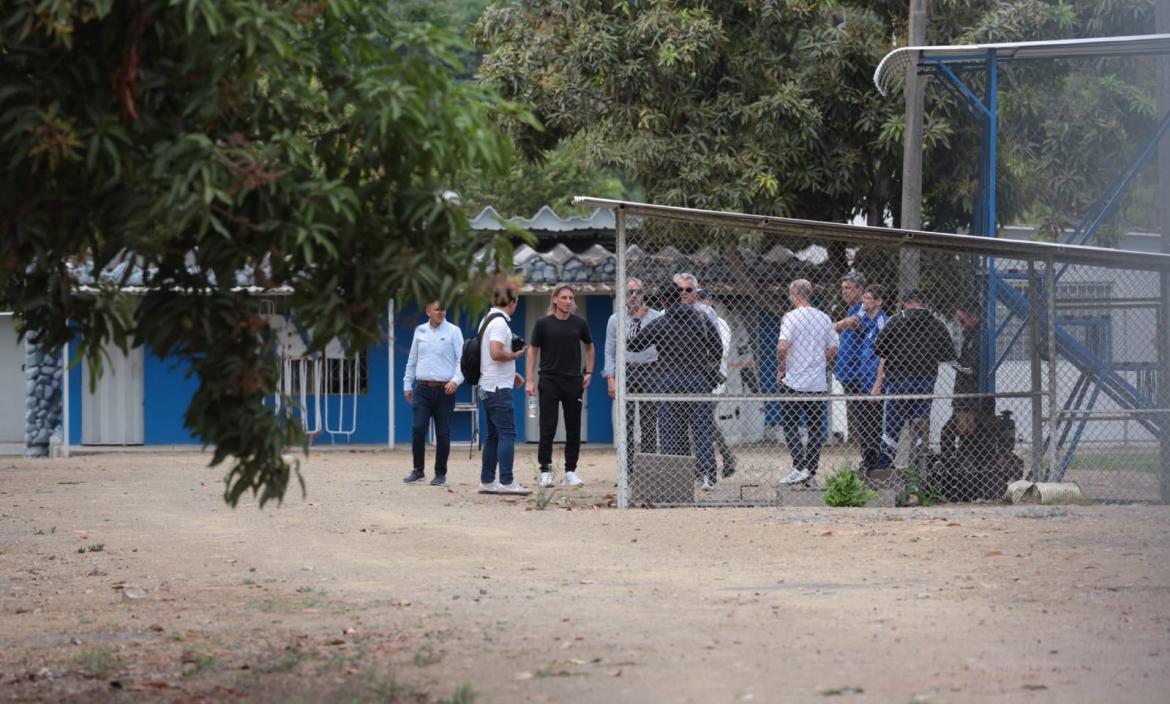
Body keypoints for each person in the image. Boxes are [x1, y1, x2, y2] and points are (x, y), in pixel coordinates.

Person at [629, 283, 723, 490]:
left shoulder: (660, 322)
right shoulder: (701, 318)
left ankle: (672, 478)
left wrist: (636, 320)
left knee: (669, 430)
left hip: (668, 380)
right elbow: (717, 347)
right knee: (701, 430)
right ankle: (708, 476)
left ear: (663, 302)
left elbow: (633, 345)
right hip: (697, 380)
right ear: (680, 296)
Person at [870, 289, 956, 477]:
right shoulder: (937, 324)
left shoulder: (895, 321)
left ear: (905, 303)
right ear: (923, 303)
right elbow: (948, 355)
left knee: (892, 427)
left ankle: (884, 467)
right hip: (925, 382)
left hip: (898, 382)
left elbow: (878, 349)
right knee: (920, 427)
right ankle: (918, 471)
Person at [526, 283, 595, 488]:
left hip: (573, 381)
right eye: (563, 298)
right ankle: (545, 471)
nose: (567, 302)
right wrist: (530, 380)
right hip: (549, 380)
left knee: (573, 427)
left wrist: (589, 371)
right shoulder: (543, 323)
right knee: (548, 427)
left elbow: (590, 347)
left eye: (570, 298)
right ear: (554, 299)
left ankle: (570, 471)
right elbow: (532, 351)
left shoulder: (579, 323)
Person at [775, 279, 839, 486]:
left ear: (794, 293)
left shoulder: (791, 317)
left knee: (791, 425)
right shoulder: (824, 318)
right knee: (815, 429)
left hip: (793, 380)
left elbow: (783, 347)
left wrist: (782, 369)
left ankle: (799, 467)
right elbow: (833, 348)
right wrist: (822, 362)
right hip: (817, 382)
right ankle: (810, 471)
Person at [603, 278, 664, 473]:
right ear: (623, 296)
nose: (634, 296)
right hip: (626, 371)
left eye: (637, 292)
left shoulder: (655, 317)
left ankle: (646, 470)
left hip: (650, 371)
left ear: (643, 294)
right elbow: (609, 351)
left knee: (648, 423)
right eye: (629, 293)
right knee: (625, 423)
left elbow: (663, 348)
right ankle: (627, 470)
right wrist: (610, 379)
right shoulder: (615, 319)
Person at [402, 301, 464, 487]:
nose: (442, 312)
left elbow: (462, 360)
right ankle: (418, 470)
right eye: (437, 309)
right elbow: (412, 359)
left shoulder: (454, 331)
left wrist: (456, 380)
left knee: (443, 433)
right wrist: (407, 383)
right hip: (422, 389)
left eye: (444, 309)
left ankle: (440, 473)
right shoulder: (419, 331)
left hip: (445, 389)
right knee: (418, 428)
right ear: (428, 311)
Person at [478, 280, 530, 495]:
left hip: (488, 385)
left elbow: (489, 357)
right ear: (512, 301)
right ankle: (507, 482)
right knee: (507, 433)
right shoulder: (500, 323)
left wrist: (512, 372)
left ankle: (488, 481)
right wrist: (515, 356)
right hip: (498, 388)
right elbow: (495, 352)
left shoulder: (486, 320)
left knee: (493, 436)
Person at [939, 299, 995, 460]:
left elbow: (970, 369)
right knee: (963, 438)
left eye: (962, 319)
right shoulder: (970, 335)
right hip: (965, 397)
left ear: (973, 316)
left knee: (950, 434)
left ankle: (950, 465)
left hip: (972, 399)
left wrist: (950, 359)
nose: (960, 323)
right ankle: (955, 465)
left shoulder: (979, 337)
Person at [697, 288, 736, 478]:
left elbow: (723, 349)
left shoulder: (720, 323)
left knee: (705, 420)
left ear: (709, 302)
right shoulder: (692, 321)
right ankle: (726, 458)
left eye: (701, 300)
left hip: (714, 379)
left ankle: (718, 460)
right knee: (705, 421)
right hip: (697, 378)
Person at [854, 284, 889, 471]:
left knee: (874, 425)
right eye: (864, 297)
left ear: (878, 302)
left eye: (868, 298)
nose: (863, 301)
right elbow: (856, 319)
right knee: (865, 424)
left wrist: (878, 383)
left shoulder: (882, 322)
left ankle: (876, 461)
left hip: (875, 384)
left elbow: (886, 354)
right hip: (864, 381)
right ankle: (867, 459)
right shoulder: (867, 323)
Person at [832, 273, 868, 457]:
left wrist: (834, 325)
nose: (844, 292)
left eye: (849, 288)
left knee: (864, 421)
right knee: (856, 421)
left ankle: (868, 459)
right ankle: (864, 458)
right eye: (843, 288)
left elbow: (854, 323)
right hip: (848, 374)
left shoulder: (863, 308)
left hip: (859, 374)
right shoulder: (851, 309)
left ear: (861, 290)